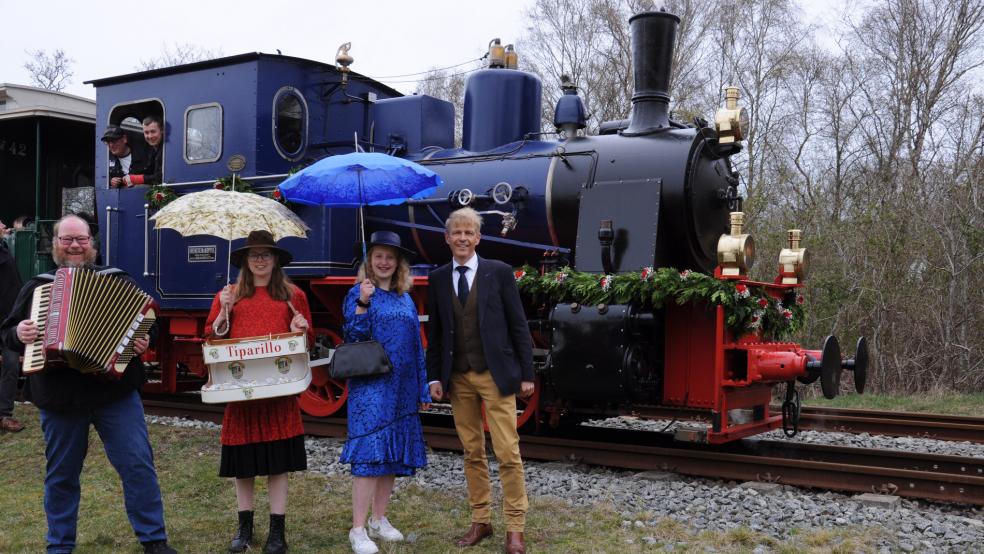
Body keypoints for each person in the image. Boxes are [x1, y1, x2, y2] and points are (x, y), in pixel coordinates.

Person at [0, 214, 176, 554]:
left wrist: (142, 340)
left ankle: (154, 540)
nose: (75, 245)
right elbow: (8, 333)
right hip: (60, 397)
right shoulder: (37, 287)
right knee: (62, 476)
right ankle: (60, 545)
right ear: (55, 246)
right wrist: (19, 333)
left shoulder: (117, 280)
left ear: (92, 245)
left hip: (114, 393)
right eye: (67, 240)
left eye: (81, 239)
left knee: (137, 465)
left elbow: (149, 322)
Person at [426, 208, 534, 554]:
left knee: (507, 451)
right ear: (447, 238)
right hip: (458, 379)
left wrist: (527, 374)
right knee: (472, 452)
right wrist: (433, 377)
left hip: (495, 375)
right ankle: (481, 520)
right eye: (456, 232)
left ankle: (515, 528)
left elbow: (519, 324)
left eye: (468, 233)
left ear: (477, 238)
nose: (461, 238)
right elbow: (437, 331)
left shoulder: (499, 273)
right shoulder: (439, 277)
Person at [205, 230, 312, 554]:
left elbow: (304, 342)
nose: (261, 259)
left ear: (276, 259)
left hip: (278, 392)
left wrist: (300, 330)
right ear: (246, 261)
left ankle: (277, 532)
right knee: (244, 464)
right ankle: (245, 528)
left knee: (278, 463)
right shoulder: (229, 294)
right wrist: (223, 312)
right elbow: (212, 338)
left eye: (267, 254)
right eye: (255, 255)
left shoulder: (293, 295)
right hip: (242, 393)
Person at [340, 231, 430, 554]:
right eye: (378, 256)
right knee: (369, 453)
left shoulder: (405, 298)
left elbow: (416, 345)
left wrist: (421, 385)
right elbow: (353, 336)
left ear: (398, 264)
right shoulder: (357, 294)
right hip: (371, 385)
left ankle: (379, 519)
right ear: (369, 260)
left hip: (402, 387)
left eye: (390, 257)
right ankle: (358, 528)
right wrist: (363, 302)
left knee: (391, 454)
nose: (384, 262)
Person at [0, 219, 24, 432]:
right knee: (10, 365)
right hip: (3, 319)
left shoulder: (4, 248)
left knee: (11, 365)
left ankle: (4, 414)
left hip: (9, 320)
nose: (3, 225)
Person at [123, 116, 164, 187]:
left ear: (162, 130)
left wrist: (138, 179)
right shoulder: (151, 150)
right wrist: (128, 178)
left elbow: (162, 177)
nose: (150, 136)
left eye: (153, 131)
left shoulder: (165, 150)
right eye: (146, 133)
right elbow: (149, 170)